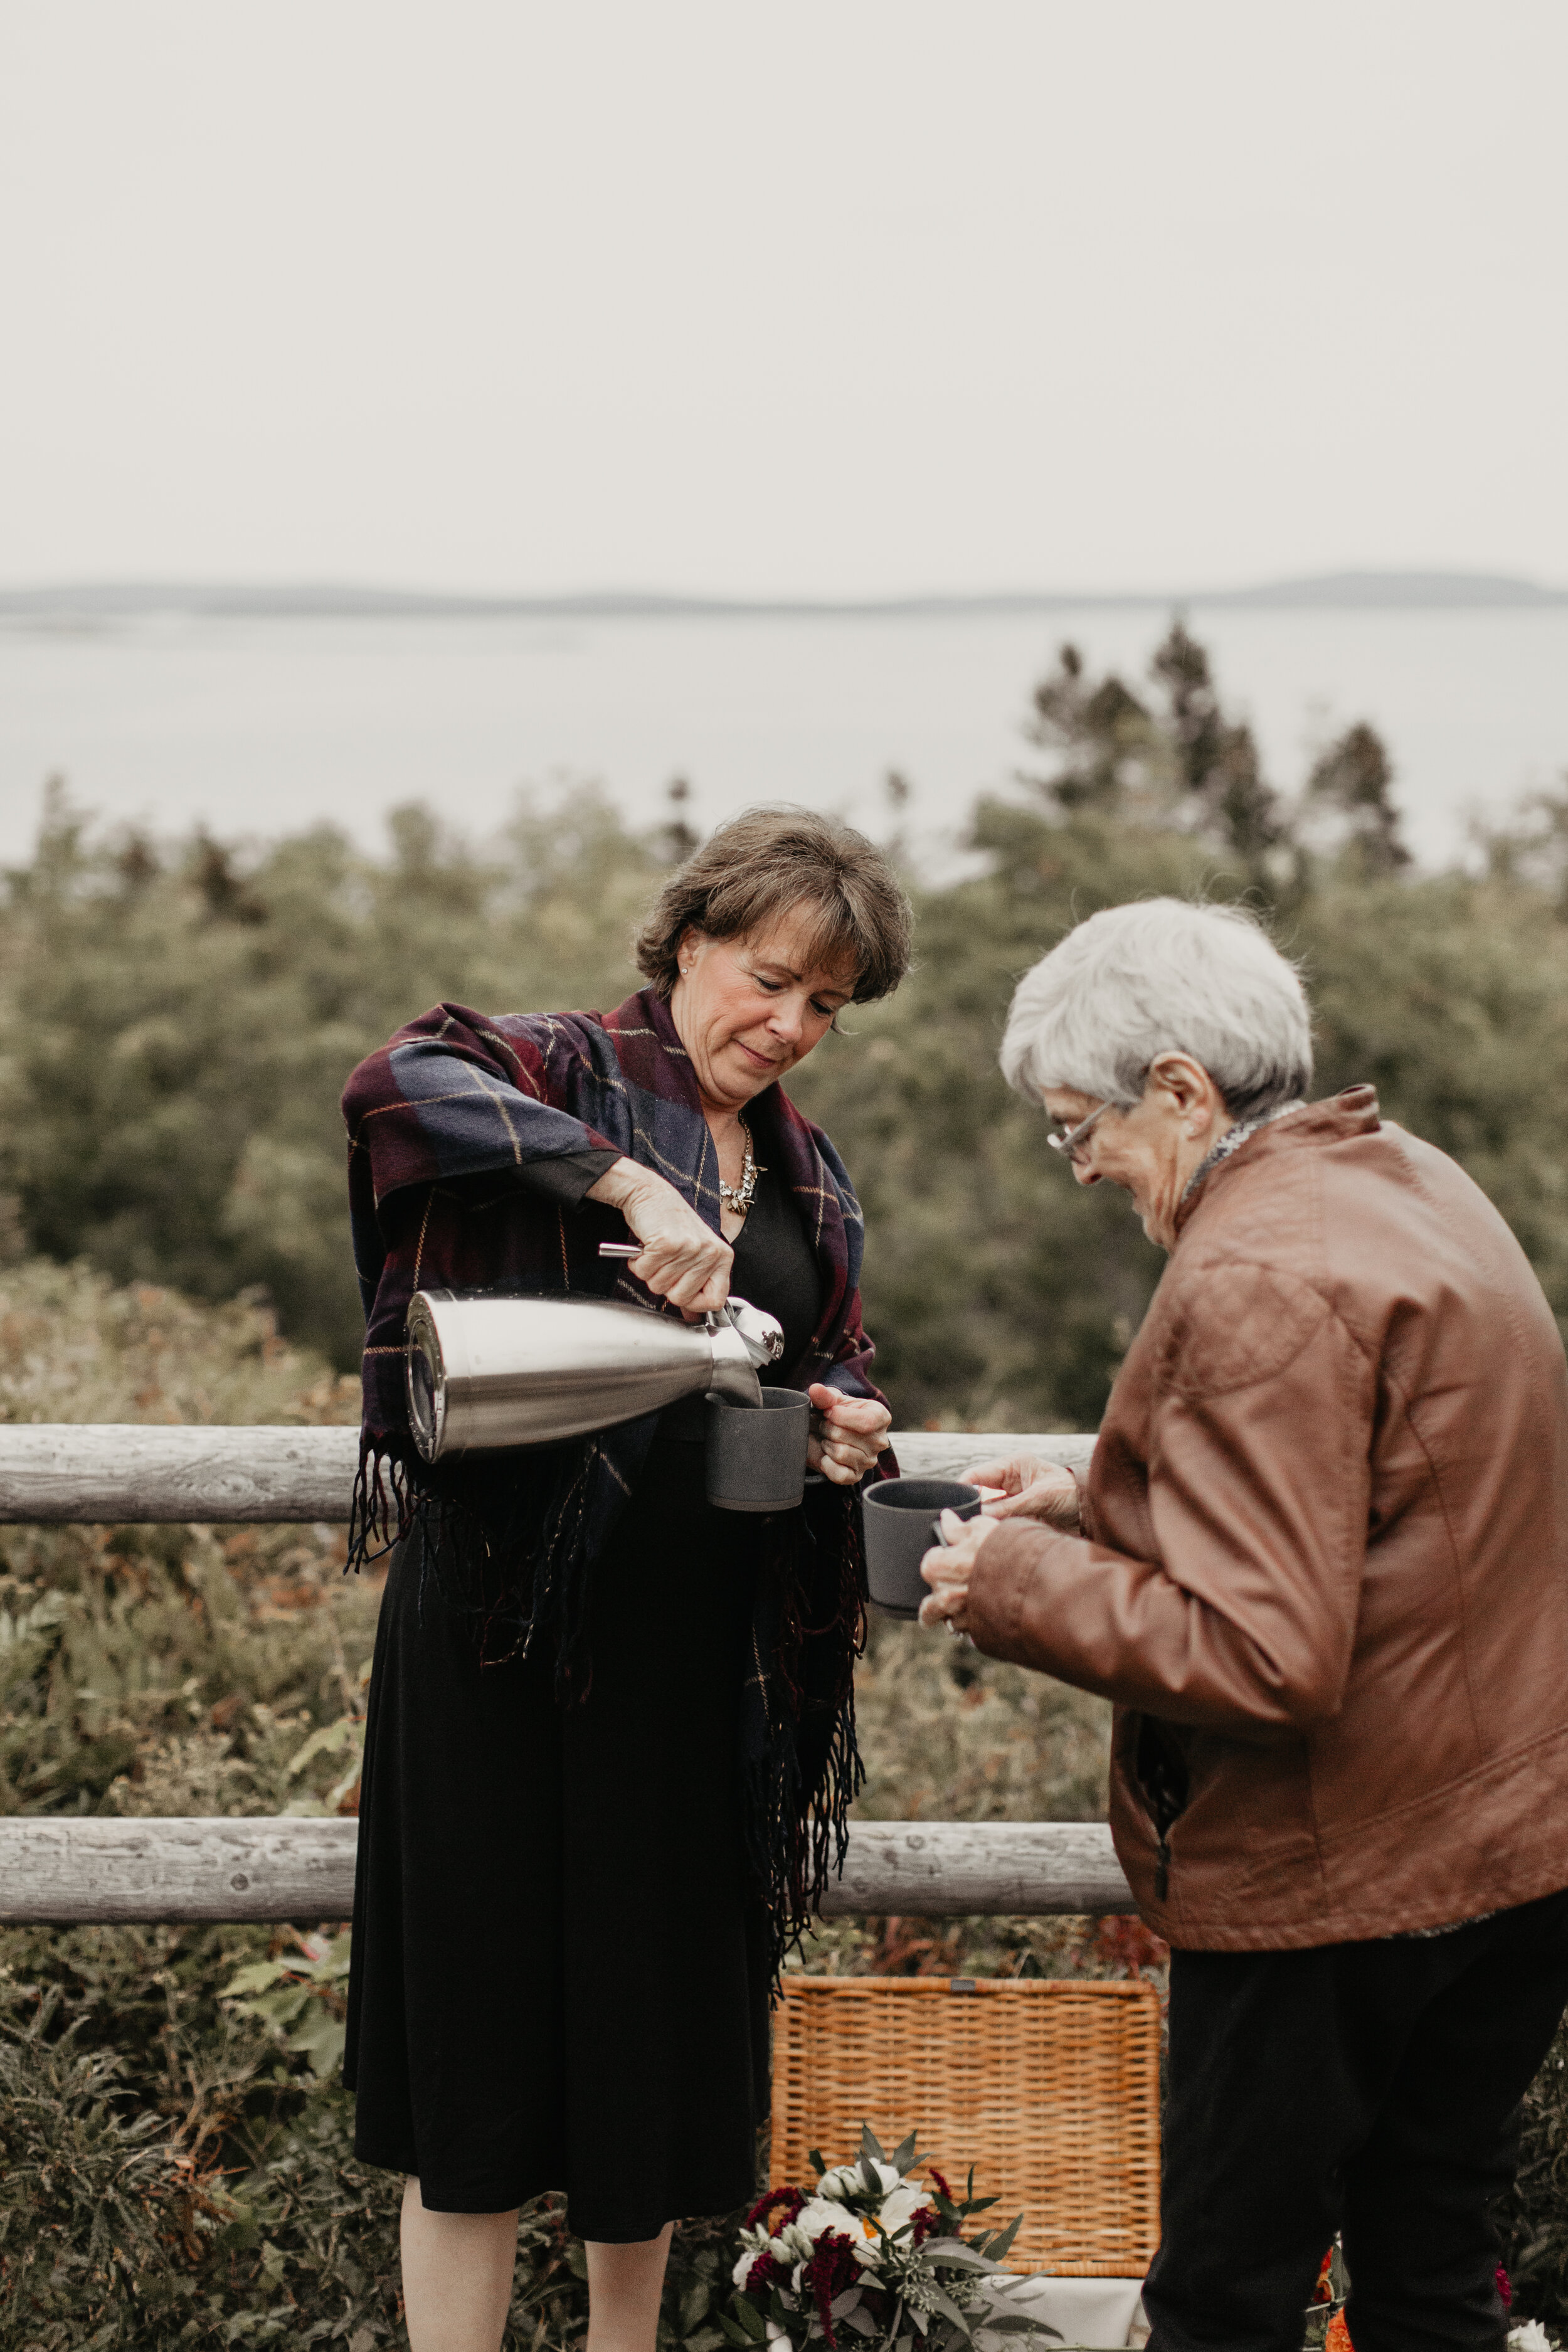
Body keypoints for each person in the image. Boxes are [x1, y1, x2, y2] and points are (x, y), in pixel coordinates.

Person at [918, 897, 1568, 2352]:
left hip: (1340, 1874)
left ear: (1179, 1089)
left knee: (1224, 2295)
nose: (1080, 1166)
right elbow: (1387, 1494)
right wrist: (1099, 1490)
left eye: (1077, 1125)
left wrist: (1004, 1582)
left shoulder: (1247, 1270)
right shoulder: (1406, 1181)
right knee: (1429, 2262)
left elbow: (1264, 1654)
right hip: (1511, 1853)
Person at [341, 808, 911, 2352]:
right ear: (687, 941)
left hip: (691, 1671)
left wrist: (843, 1428)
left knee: (641, 2073)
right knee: (476, 2063)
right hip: (496, 1641)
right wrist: (625, 1189)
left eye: (823, 1007)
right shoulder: (552, 1067)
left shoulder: (807, 1174)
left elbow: (816, 1353)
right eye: (768, 979)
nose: (786, 1025)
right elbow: (392, 1082)